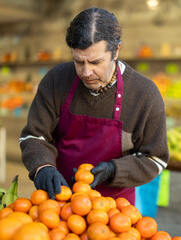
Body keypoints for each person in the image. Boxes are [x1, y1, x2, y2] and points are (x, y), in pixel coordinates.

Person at [19, 7, 169, 204]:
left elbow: (155, 158)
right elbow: (34, 135)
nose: (86, 72)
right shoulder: (56, 80)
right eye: (78, 62)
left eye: (96, 62)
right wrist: (42, 167)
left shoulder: (144, 94)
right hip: (58, 203)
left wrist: (114, 170)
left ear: (116, 51)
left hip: (114, 212)